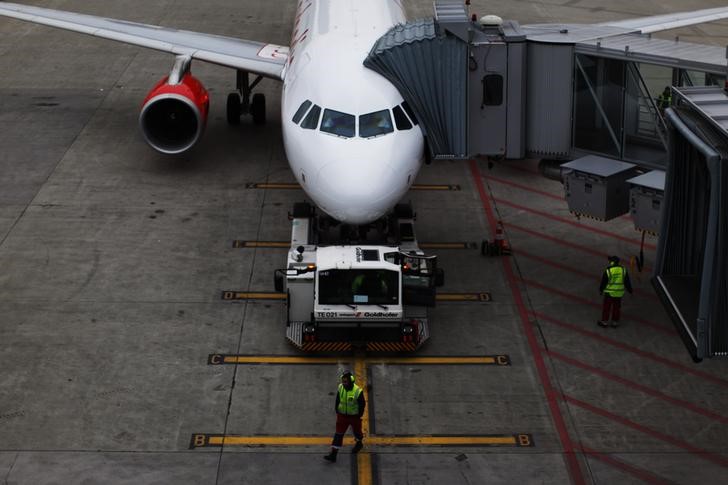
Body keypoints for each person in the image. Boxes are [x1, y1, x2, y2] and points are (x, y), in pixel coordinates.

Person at [323, 371, 365, 462]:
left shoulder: (357, 391)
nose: (343, 383)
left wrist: (359, 415)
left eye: (345, 381)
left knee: (357, 432)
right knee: (338, 434)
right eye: (343, 381)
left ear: (350, 381)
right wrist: (337, 410)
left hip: (354, 417)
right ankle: (333, 455)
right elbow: (338, 399)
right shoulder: (340, 387)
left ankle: (359, 443)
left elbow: (362, 404)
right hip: (342, 416)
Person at [598, 255, 633, 328]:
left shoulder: (609, 270)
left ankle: (604, 322)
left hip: (609, 293)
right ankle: (615, 322)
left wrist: (601, 290)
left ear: (612, 262)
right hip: (619, 293)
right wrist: (630, 290)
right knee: (616, 307)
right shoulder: (623, 270)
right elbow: (627, 281)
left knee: (607, 307)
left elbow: (604, 282)